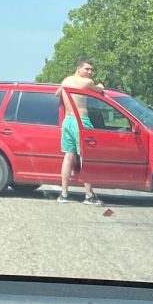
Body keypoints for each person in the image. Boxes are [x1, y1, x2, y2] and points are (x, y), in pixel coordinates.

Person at [55, 58, 105, 204]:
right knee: (85, 157)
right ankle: (89, 195)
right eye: (87, 69)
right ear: (78, 68)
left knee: (68, 157)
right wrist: (100, 85)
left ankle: (63, 194)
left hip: (67, 121)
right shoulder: (87, 83)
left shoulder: (66, 81)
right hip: (81, 121)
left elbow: (57, 93)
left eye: (91, 70)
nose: (89, 72)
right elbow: (99, 89)